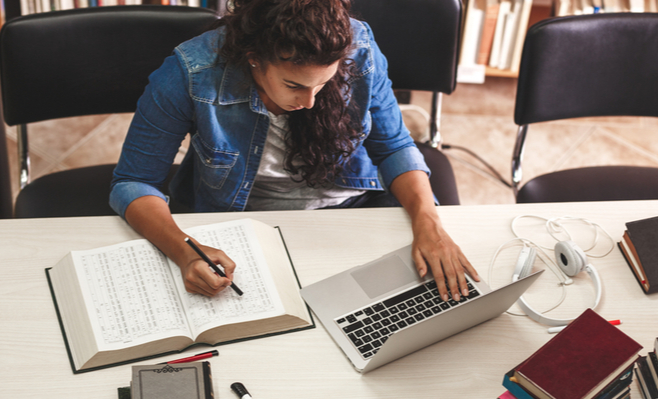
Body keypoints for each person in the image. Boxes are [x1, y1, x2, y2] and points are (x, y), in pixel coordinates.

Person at [110, 0, 478, 300]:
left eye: (324, 83)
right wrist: (184, 250)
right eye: (294, 85)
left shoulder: (359, 48)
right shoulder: (191, 72)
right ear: (254, 57)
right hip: (244, 226)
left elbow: (393, 146)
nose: (311, 100)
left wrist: (429, 222)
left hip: (353, 212)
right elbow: (133, 182)